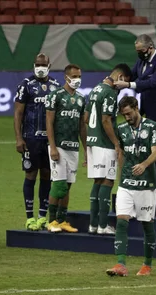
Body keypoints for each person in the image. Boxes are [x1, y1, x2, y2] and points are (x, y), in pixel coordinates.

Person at [114, 34, 156, 197]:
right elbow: (133, 75)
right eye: (137, 51)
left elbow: (153, 82)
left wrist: (127, 84)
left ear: (150, 47)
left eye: (141, 50)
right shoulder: (141, 61)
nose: (139, 53)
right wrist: (117, 79)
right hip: (149, 111)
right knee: (151, 148)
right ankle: (154, 181)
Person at [106, 96, 156, 277]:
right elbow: (120, 152)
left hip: (147, 184)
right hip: (127, 184)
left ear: (136, 108)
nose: (127, 118)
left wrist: (144, 165)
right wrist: (122, 175)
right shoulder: (121, 129)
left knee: (147, 224)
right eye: (124, 115)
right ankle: (120, 264)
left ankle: (147, 265)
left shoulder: (152, 127)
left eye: (129, 113)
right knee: (121, 221)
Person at [14, 53, 60, 231]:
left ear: (49, 65)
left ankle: (42, 216)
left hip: (49, 141)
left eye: (43, 64)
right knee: (30, 175)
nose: (40, 67)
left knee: (47, 176)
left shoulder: (55, 86)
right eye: (37, 64)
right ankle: (29, 217)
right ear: (34, 65)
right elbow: (18, 113)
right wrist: (19, 138)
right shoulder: (26, 85)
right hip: (31, 138)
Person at [85, 63, 132, 235]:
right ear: (120, 77)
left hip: (92, 140)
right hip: (104, 143)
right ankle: (103, 226)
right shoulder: (110, 93)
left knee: (97, 181)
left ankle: (93, 225)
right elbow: (106, 120)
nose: (123, 86)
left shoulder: (96, 89)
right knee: (107, 181)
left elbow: (86, 117)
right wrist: (116, 143)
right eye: (124, 82)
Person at [45, 64, 87, 233]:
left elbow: (82, 127)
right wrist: (52, 147)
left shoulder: (81, 99)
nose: (77, 80)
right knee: (58, 184)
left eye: (79, 76)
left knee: (68, 185)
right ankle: (51, 221)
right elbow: (49, 122)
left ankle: (62, 220)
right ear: (66, 77)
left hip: (73, 147)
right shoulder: (55, 96)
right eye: (75, 76)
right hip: (59, 147)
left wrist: (86, 150)